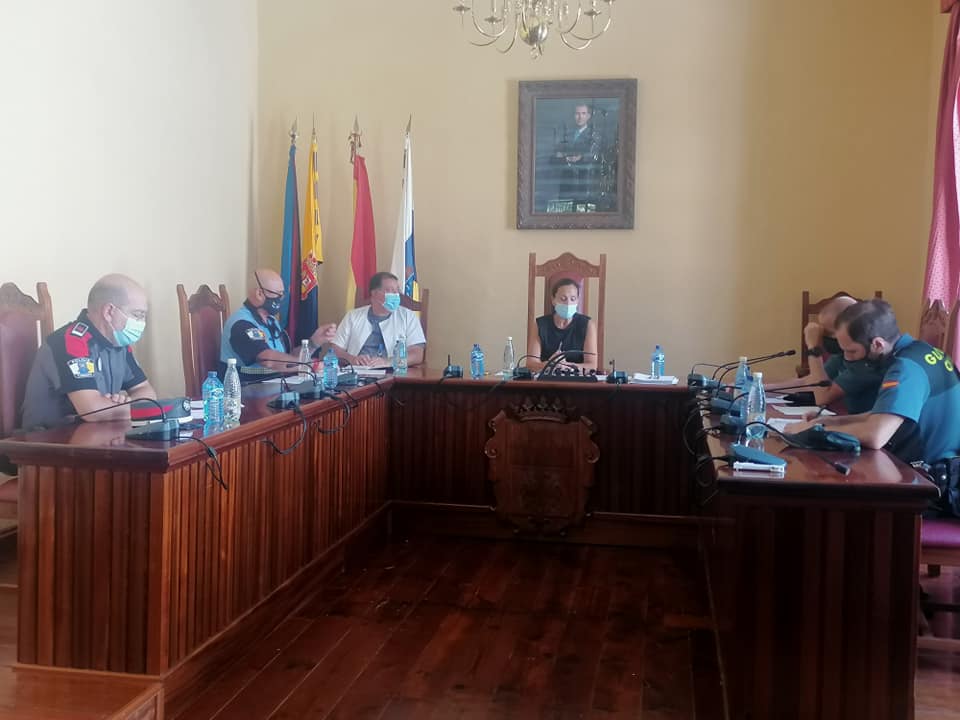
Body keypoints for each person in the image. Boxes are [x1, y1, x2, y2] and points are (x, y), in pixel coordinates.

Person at [789, 299, 960, 468]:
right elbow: (885, 414)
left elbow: (876, 435)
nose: (847, 358)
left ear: (877, 344)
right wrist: (832, 422)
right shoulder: (920, 352)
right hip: (938, 464)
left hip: (928, 477)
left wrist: (813, 431)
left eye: (852, 351)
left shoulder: (905, 368)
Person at [21, 274, 158, 429]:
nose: (141, 323)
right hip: (48, 438)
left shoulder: (118, 344)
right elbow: (93, 411)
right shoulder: (69, 342)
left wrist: (120, 405)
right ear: (109, 312)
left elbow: (147, 392)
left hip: (94, 434)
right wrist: (132, 407)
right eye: (137, 315)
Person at [767, 295, 883, 412]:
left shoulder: (867, 361)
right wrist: (764, 389)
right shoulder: (842, 354)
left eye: (829, 332)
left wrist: (813, 348)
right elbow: (809, 381)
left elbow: (822, 397)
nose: (825, 338)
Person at [220, 269, 336, 373]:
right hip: (248, 387)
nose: (281, 299)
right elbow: (269, 360)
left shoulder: (271, 321)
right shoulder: (241, 324)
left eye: (282, 294)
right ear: (259, 293)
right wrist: (308, 365)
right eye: (278, 294)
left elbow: (287, 358)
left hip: (277, 384)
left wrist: (313, 342)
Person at [332, 272, 426, 367]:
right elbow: (336, 348)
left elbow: (417, 354)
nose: (396, 295)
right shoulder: (353, 316)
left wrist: (387, 362)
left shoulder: (407, 316)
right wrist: (352, 359)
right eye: (390, 290)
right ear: (374, 293)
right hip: (357, 370)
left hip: (393, 371)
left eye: (397, 290)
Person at [526, 278, 599, 374]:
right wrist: (550, 364)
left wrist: (566, 366)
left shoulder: (588, 325)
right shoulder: (540, 325)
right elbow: (531, 364)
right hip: (546, 380)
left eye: (573, 299)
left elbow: (592, 365)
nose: (568, 303)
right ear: (553, 300)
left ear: (577, 301)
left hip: (577, 380)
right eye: (563, 299)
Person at [555, 103, 602, 202]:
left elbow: (594, 155)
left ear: (588, 116)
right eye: (577, 113)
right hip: (567, 181)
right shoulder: (567, 134)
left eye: (583, 113)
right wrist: (562, 156)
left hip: (584, 180)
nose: (580, 117)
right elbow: (558, 153)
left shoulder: (594, 135)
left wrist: (581, 157)